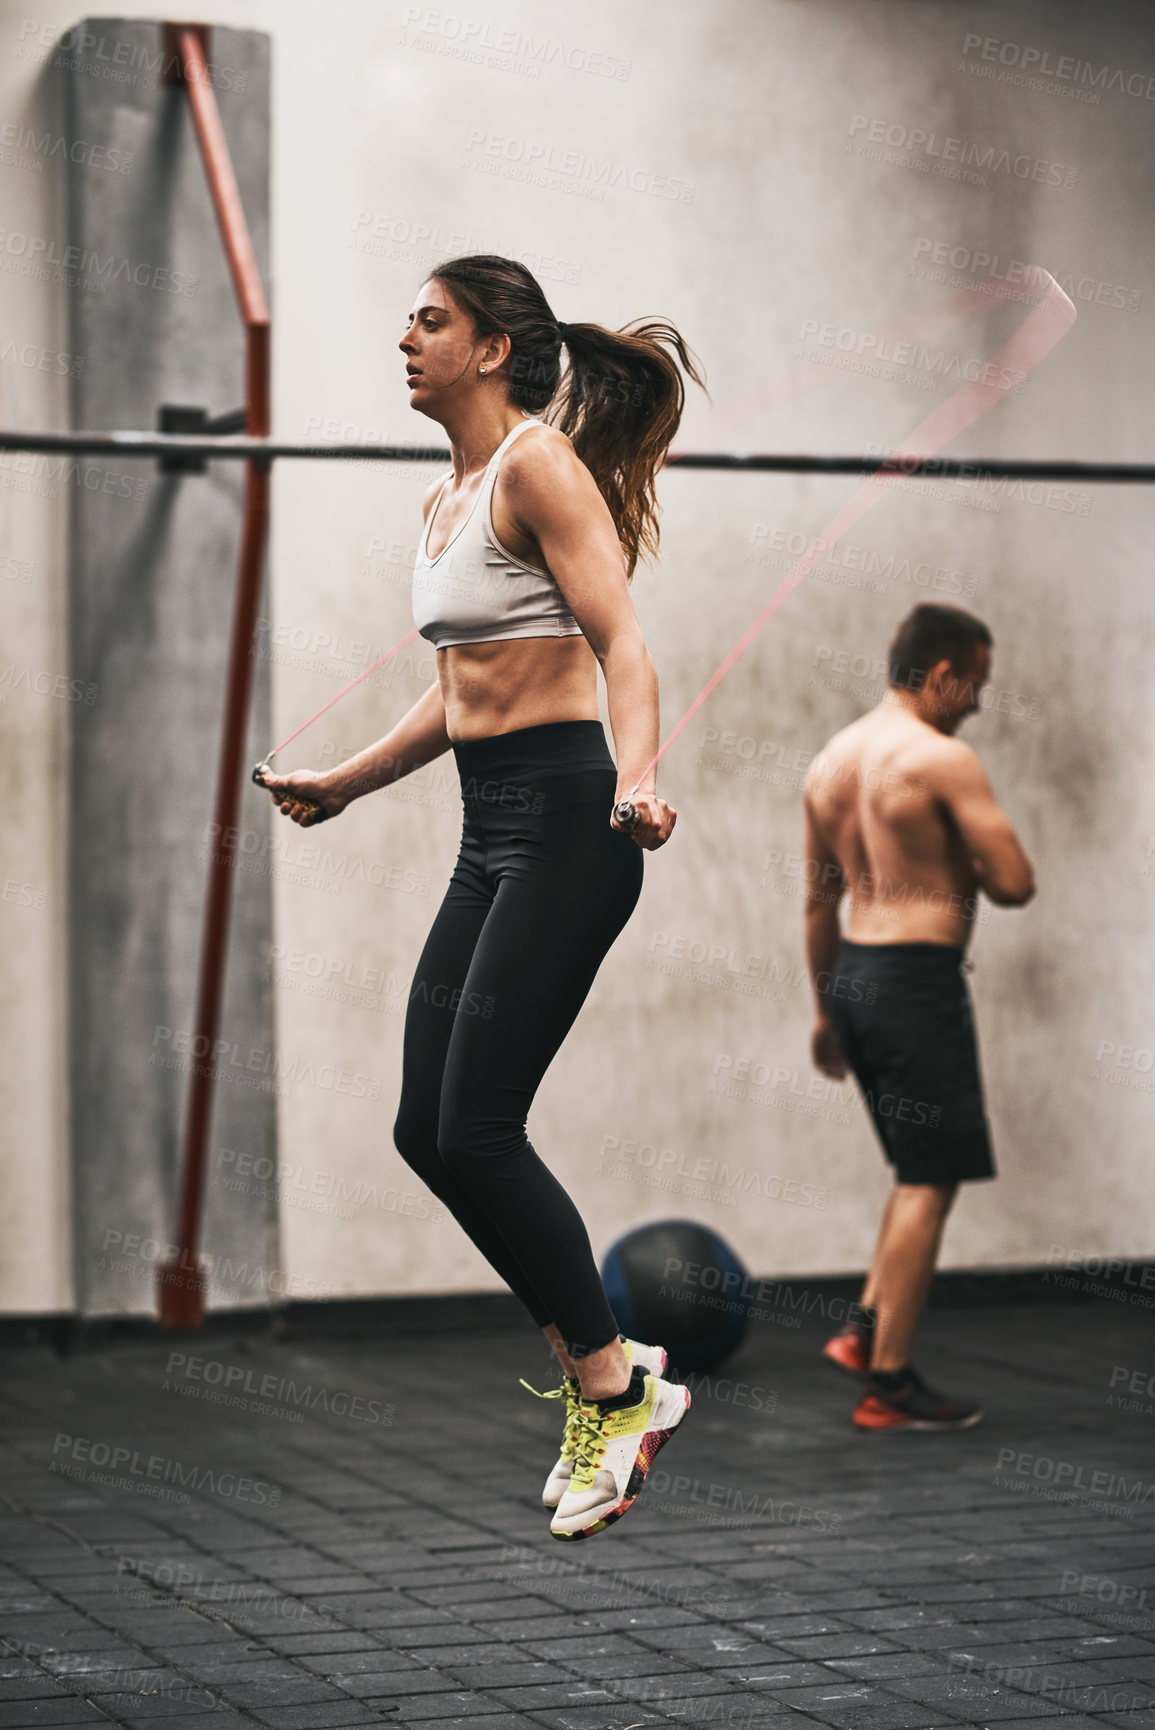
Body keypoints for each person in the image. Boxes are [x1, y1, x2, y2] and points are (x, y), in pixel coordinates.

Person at [262, 255, 705, 1539]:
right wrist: (345, 782)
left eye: (431, 319)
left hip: (574, 821)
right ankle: (609, 1379)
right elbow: (462, 694)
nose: (405, 336)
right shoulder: (448, 494)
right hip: (490, 829)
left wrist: (640, 778)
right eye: (410, 315)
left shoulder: (535, 468)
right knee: (424, 1128)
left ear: (494, 347)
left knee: (483, 1126)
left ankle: (614, 1390)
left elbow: (622, 640)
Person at [803, 603, 1035, 1431]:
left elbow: (815, 906)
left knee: (913, 1169)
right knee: (929, 1180)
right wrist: (960, 857)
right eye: (973, 686)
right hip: (915, 980)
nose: (975, 703)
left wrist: (826, 1013)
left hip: (858, 979)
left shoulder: (829, 762)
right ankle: (888, 1382)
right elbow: (1014, 881)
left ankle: (866, 1329)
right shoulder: (941, 759)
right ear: (941, 675)